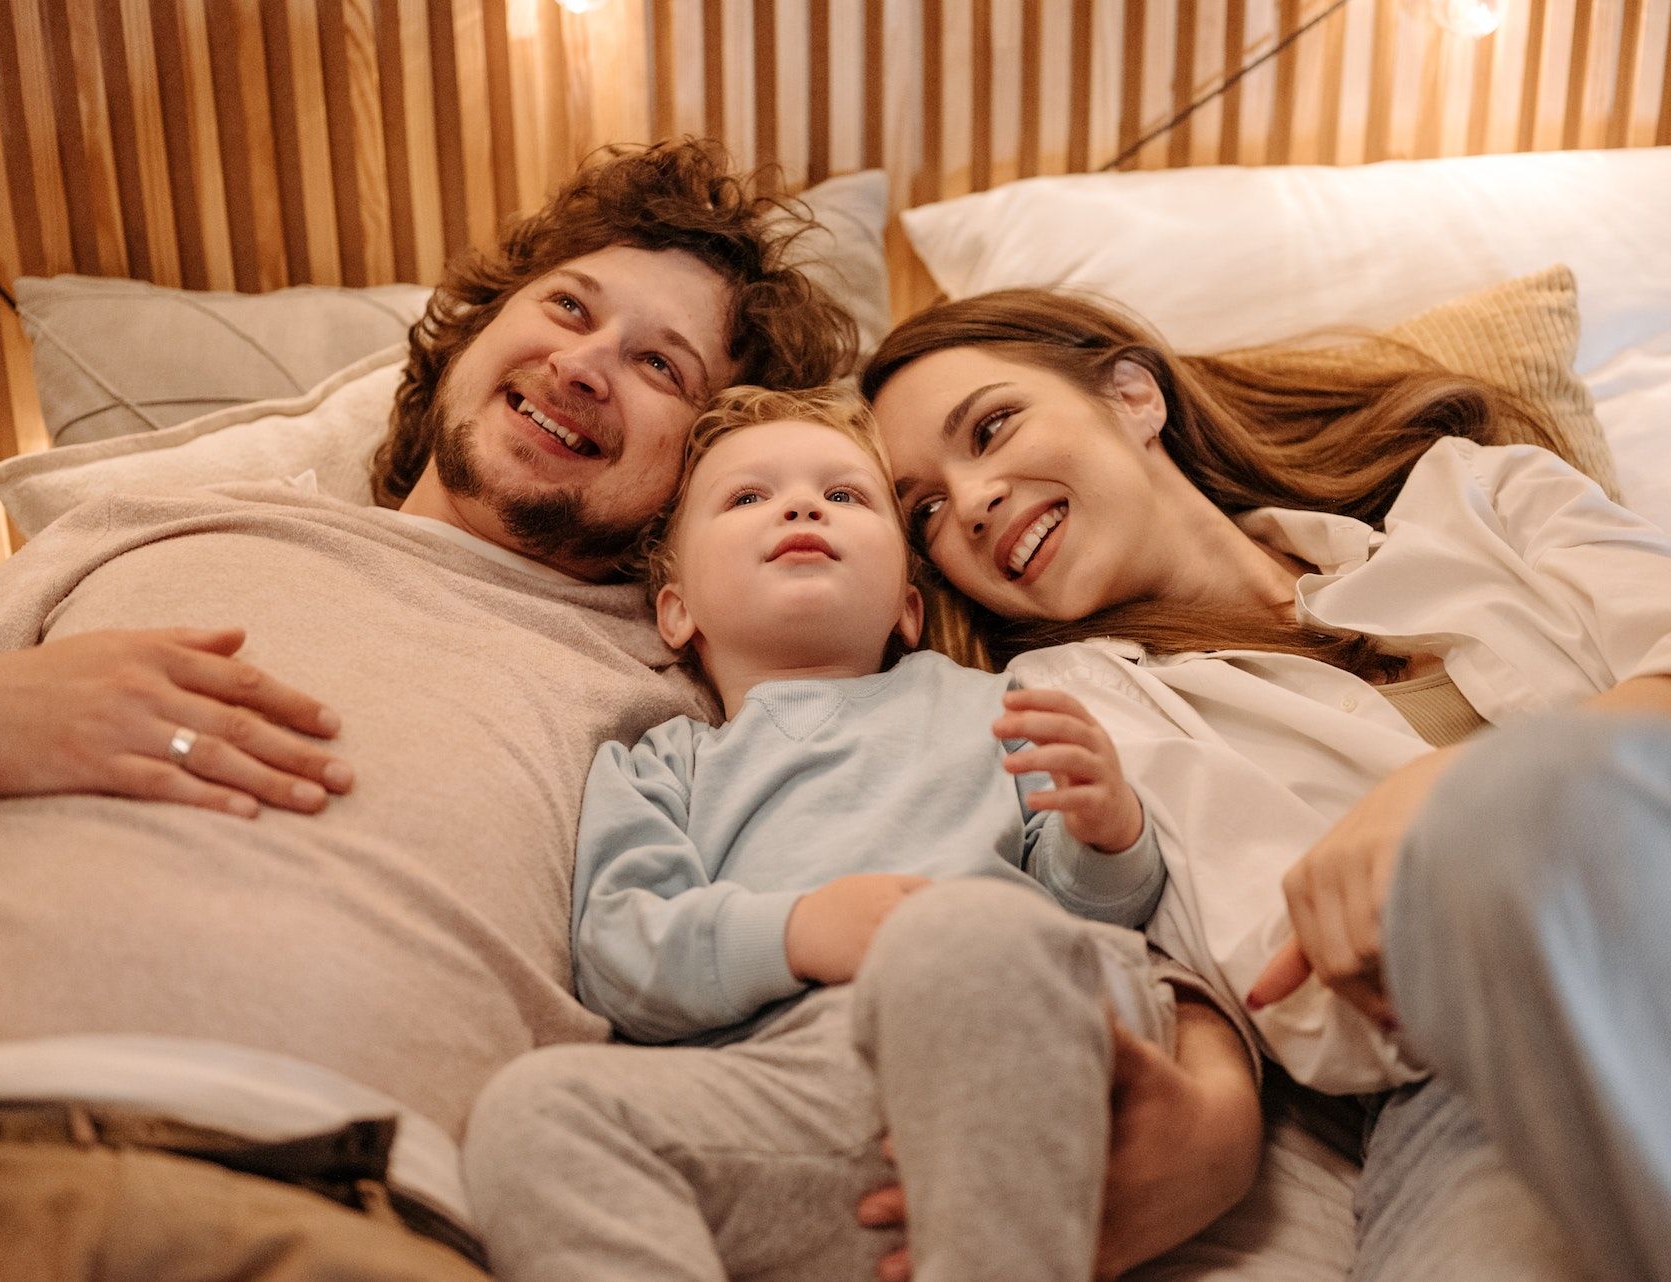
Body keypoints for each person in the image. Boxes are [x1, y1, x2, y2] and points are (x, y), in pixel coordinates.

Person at [0, 139, 859, 1278]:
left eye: (662, 366)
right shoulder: (146, 522)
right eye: (568, 307)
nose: (587, 365)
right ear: (475, 329)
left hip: (342, 1216)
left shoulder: (687, 685)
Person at [858, 287, 1671, 1282]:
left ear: (1135, 395)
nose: (968, 504)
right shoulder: (1077, 708)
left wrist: (1454, 794)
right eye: (924, 509)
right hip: (1474, 1084)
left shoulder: (1474, 495)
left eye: (993, 426)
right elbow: (1306, 996)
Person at [460, 384, 1264, 1282]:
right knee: (533, 1111)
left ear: (907, 609)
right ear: (675, 611)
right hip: (791, 1098)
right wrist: (798, 932)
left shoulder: (994, 704)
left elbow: (1098, 913)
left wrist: (1109, 833)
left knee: (963, 934)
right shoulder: (659, 766)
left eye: (845, 496)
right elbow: (619, 956)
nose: (802, 505)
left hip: (1016, 1054)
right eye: (747, 498)